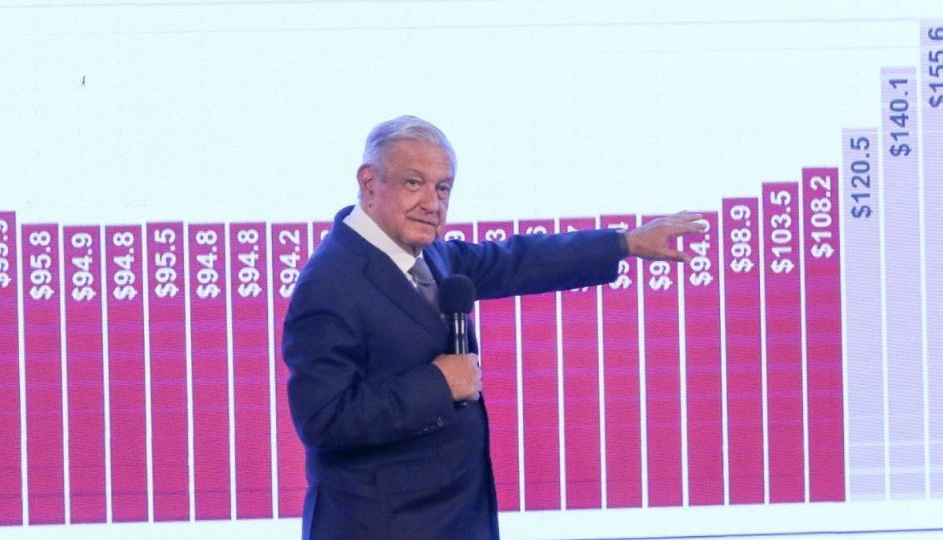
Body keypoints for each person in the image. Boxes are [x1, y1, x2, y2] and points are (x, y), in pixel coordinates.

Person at [282, 115, 703, 539]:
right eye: (414, 183)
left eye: (442, 188)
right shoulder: (329, 281)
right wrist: (438, 384)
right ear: (369, 183)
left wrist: (623, 243)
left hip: (455, 519)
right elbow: (323, 419)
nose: (432, 203)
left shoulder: (428, 254)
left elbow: (515, 260)